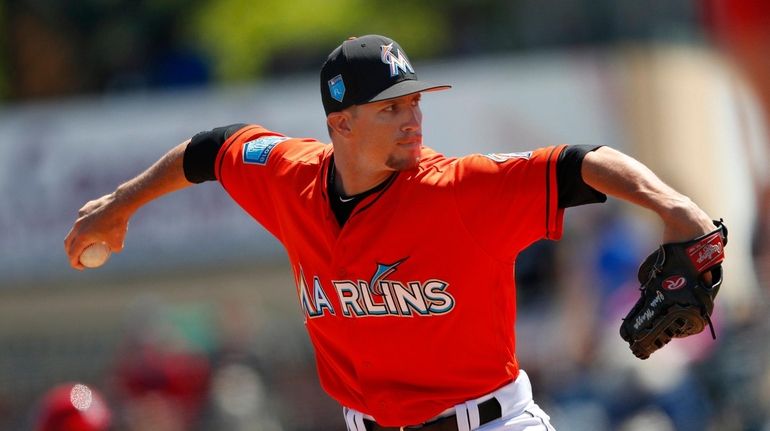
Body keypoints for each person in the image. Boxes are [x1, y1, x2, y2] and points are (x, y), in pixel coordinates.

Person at [65, 34, 718, 431]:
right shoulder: (288, 179)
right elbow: (212, 150)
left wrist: (677, 210)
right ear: (341, 122)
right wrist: (121, 204)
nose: (413, 117)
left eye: (414, 100)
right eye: (391, 107)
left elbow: (583, 162)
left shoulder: (456, 189)